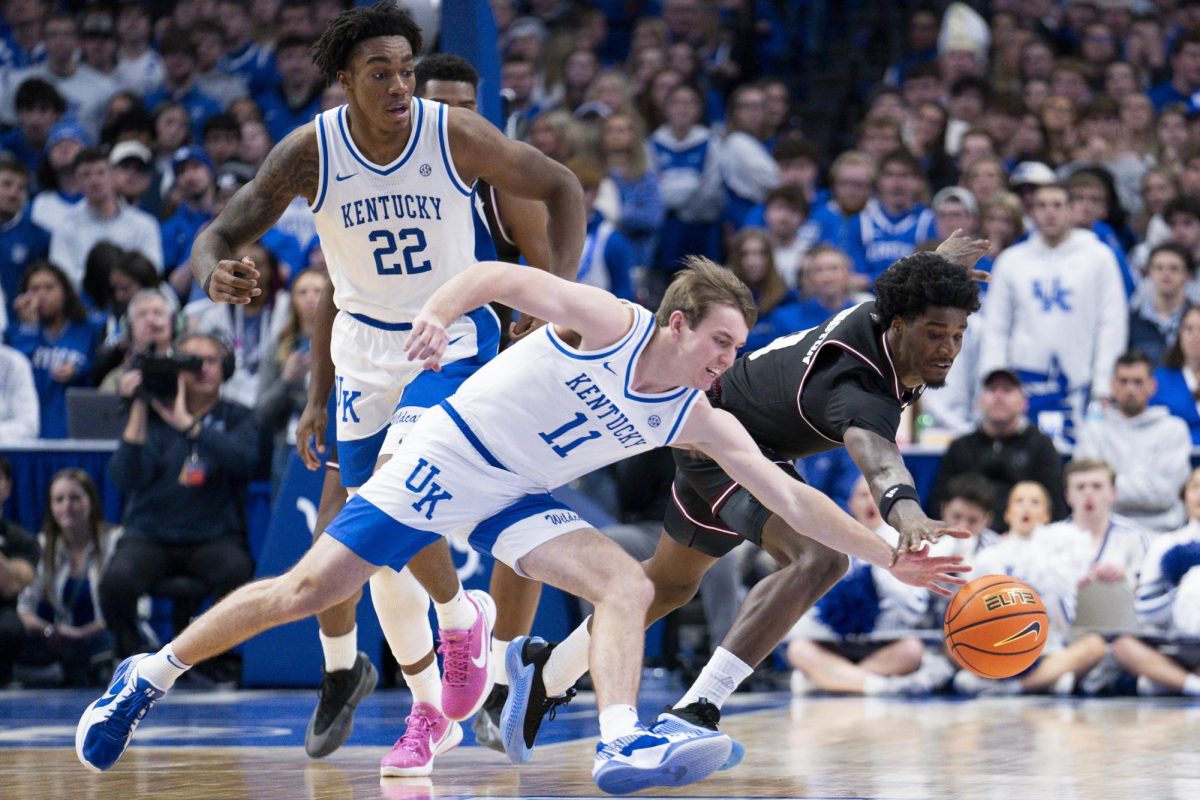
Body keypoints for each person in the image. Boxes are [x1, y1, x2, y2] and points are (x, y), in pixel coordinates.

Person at [76, 258, 966, 793]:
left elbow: (797, 503)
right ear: (679, 323)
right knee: (308, 589)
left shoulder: (697, 414)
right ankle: (146, 674)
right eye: (723, 347)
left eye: (738, 353)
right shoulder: (610, 324)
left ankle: (620, 742)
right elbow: (500, 279)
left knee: (625, 581)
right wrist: (438, 313)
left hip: (515, 494)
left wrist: (893, 554)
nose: (729, 366)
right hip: (445, 455)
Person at [188, 4, 586, 772]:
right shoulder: (310, 152)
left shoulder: (455, 134)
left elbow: (563, 185)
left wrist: (557, 300)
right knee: (374, 546)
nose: (400, 84)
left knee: (413, 492)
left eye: (407, 69)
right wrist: (215, 271)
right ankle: (432, 699)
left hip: (452, 343)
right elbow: (221, 234)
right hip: (362, 355)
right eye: (381, 72)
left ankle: (470, 635)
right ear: (344, 81)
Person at [508, 239, 985, 766]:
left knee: (667, 584)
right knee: (822, 558)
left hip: (723, 429)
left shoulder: (887, 312)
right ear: (898, 327)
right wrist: (907, 514)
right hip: (722, 444)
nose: (948, 348)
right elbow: (878, 459)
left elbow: (906, 287)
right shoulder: (859, 388)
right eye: (936, 333)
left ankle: (545, 675)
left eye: (958, 335)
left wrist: (939, 264)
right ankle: (694, 711)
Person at [99, 332, 258, 669]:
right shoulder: (152, 418)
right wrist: (139, 406)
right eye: (190, 361)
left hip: (214, 536)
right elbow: (125, 477)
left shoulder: (238, 417)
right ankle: (133, 658)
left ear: (226, 368)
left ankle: (213, 658)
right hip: (151, 535)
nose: (201, 369)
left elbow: (245, 461)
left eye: (210, 361)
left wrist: (190, 426)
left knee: (237, 572)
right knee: (115, 582)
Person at [979, 182, 1127, 445]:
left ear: (1071, 210)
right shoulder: (1012, 261)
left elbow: (1112, 323)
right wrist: (994, 384)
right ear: (1032, 212)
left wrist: (1103, 383)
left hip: (1081, 384)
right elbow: (996, 328)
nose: (1050, 212)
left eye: (1057, 205)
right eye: (1042, 206)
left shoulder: (1099, 257)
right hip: (1023, 384)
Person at [785, 476, 950, 697]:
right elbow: (810, 599)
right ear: (851, 503)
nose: (869, 502)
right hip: (833, 641)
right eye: (863, 495)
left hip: (883, 641)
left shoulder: (904, 541)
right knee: (799, 650)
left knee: (911, 650)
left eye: (875, 496)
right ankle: (877, 685)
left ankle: (828, 681)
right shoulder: (829, 539)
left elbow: (912, 607)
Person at [952, 480, 1110, 697]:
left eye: (1035, 502)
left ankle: (1016, 687)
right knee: (957, 658)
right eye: (1019, 501)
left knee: (1095, 645)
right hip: (999, 649)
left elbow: (1067, 611)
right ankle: (1044, 681)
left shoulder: (1063, 555)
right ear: (1007, 514)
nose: (1026, 507)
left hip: (1049, 649)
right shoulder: (988, 558)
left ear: (1046, 515)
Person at [928, 368, 1067, 529]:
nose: (999, 397)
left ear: (1024, 402)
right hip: (967, 537)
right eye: (992, 389)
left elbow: (1056, 507)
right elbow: (937, 504)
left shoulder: (1041, 447)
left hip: (1023, 540)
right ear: (979, 401)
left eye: (1007, 390)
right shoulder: (960, 447)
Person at [16, 469, 120, 686]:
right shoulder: (44, 545)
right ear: (51, 507)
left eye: (75, 498)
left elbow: (131, 609)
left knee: (112, 647)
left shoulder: (114, 541)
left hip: (106, 636)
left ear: (91, 501)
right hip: (61, 640)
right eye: (59, 500)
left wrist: (82, 633)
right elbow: (24, 609)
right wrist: (49, 631)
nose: (67, 507)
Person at [1075, 351, 1192, 531]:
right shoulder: (1093, 431)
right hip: (1103, 532)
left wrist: (1107, 485)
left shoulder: (1173, 430)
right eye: (1123, 381)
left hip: (1160, 533)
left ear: (1152, 386)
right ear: (1112, 385)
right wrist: (1145, 483)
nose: (1130, 389)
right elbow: (1085, 489)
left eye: (1138, 382)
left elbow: (1165, 494)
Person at [1112, 466, 1200, 697]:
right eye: (1195, 486)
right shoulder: (1166, 545)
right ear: (1184, 496)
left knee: (1149, 685)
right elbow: (1143, 611)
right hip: (1178, 645)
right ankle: (1192, 683)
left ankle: (1174, 681)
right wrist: (1177, 592)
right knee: (1122, 646)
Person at [4, 261, 99, 439]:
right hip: (30, 435)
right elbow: (16, 375)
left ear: (65, 291)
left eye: (49, 288)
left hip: (74, 433)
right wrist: (28, 330)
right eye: (34, 289)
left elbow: (98, 369)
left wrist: (78, 370)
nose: (41, 295)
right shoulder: (14, 334)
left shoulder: (88, 330)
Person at [0, 456, 39, 687]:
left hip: (3, 619)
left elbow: (9, 586)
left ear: (7, 486)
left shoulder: (21, 540)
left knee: (9, 628)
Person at [1152, 305, 1200, 445]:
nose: (1196, 336)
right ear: (1179, 333)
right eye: (1189, 329)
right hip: (1173, 459)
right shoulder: (1159, 380)